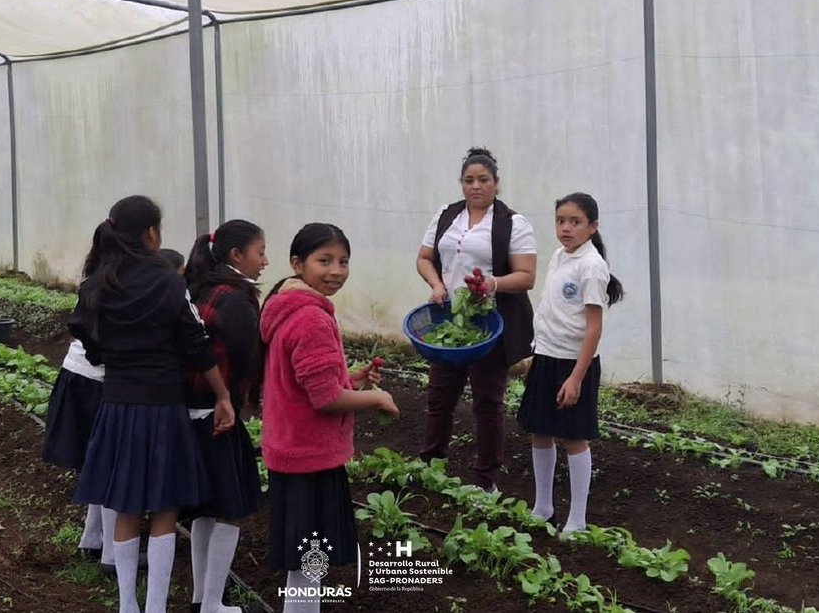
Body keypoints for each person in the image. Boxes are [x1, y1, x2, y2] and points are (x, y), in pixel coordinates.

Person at [69, 195, 236, 613]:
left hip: (119, 404)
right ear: (151, 233)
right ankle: (156, 606)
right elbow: (196, 346)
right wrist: (222, 395)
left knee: (125, 504)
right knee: (165, 505)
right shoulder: (168, 282)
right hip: (164, 405)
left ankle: (128, 605)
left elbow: (90, 346)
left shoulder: (96, 284)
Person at [259, 223, 399, 613]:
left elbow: (304, 383)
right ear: (297, 263)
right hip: (309, 454)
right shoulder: (313, 318)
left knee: (305, 557)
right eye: (325, 261)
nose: (337, 270)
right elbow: (325, 400)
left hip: (290, 448)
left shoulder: (288, 308)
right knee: (309, 557)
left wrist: (350, 379)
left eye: (343, 261)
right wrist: (376, 397)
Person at [415, 146, 537, 491]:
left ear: (496, 183)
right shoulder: (446, 216)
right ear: (461, 183)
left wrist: (492, 284)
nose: (476, 186)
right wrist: (437, 284)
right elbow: (424, 258)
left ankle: (486, 480)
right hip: (451, 324)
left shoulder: (513, 223)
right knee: (439, 397)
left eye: (483, 180)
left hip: (490, 324)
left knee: (487, 401)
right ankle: (430, 465)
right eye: (469, 180)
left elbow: (526, 276)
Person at [515, 192, 623, 533]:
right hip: (547, 357)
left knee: (574, 438)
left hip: (574, 364)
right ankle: (543, 507)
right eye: (561, 220)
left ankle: (577, 519)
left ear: (592, 227)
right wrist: (537, 354)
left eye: (575, 222)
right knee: (540, 432)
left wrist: (576, 377)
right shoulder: (561, 256)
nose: (565, 228)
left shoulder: (592, 267)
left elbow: (594, 328)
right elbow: (550, 311)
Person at [182, 220, 269, 613]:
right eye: (260, 252)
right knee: (231, 508)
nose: (264, 261)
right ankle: (213, 602)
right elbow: (247, 352)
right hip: (219, 412)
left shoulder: (199, 286)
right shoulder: (234, 297)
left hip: (189, 409)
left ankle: (203, 597)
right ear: (237, 255)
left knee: (205, 507)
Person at [41, 338, 118, 575]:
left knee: (98, 459)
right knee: (111, 461)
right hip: (100, 378)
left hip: (78, 370)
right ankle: (113, 555)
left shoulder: (96, 298)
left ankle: (93, 537)